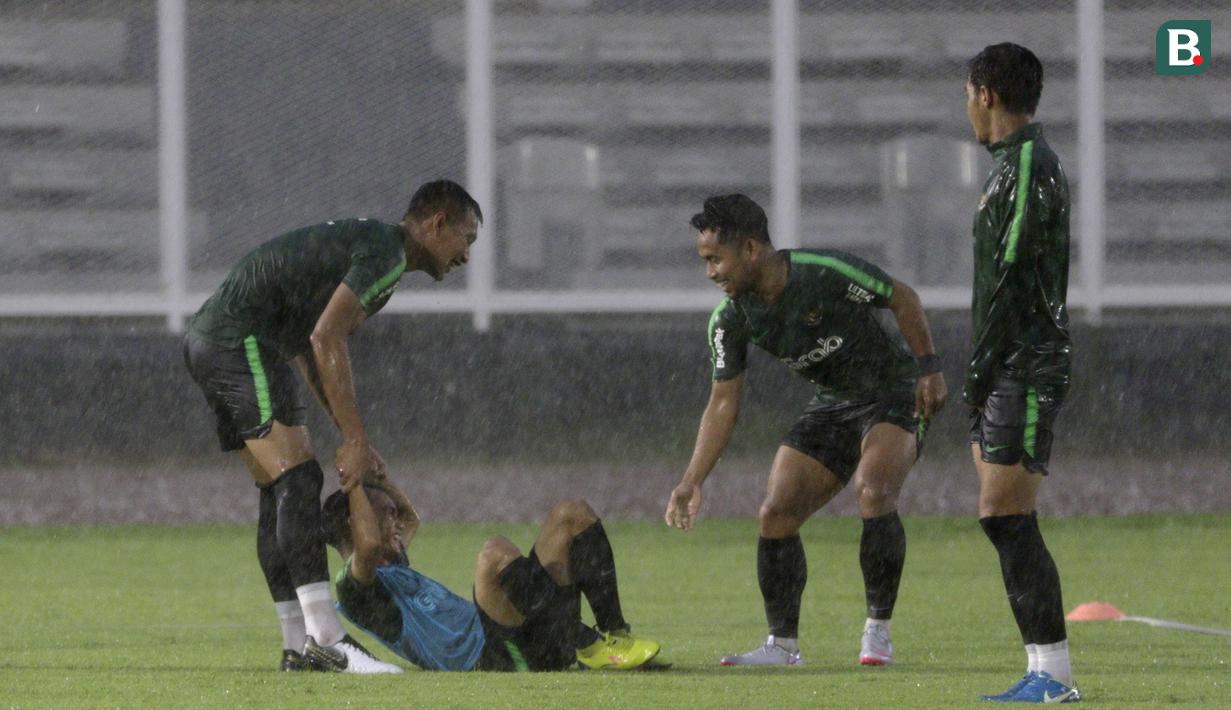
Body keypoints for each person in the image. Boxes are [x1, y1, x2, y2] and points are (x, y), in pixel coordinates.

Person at [182, 180, 481, 673]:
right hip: (238, 340)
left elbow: (307, 345)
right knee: (298, 480)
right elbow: (327, 338)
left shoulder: (372, 246)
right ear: (437, 224)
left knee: (279, 488)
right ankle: (328, 639)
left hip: (216, 339)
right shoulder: (386, 254)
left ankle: (297, 647)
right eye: (465, 240)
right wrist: (356, 438)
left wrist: (350, 436)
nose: (465, 257)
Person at [664, 193, 947, 667]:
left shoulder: (821, 271)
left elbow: (902, 298)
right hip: (834, 404)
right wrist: (691, 480)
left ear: (751, 249)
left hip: (893, 391)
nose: (711, 272)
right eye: (705, 262)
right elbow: (723, 402)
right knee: (775, 513)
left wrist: (929, 368)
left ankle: (877, 633)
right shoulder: (730, 320)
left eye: (716, 259)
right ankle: (782, 647)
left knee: (874, 491)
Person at [962, 43, 1080, 704]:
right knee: (1000, 516)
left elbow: (1008, 282)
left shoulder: (1029, 163)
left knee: (1005, 515)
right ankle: (1043, 671)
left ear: (984, 93)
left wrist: (977, 372)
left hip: (1023, 363)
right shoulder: (1011, 164)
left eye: (967, 97)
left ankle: (1053, 676)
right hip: (1005, 360)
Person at [321, 468, 663, 672]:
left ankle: (617, 637)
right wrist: (352, 483)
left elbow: (411, 518)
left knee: (571, 515)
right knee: (493, 554)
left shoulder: (393, 563)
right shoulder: (355, 591)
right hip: (492, 655)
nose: (398, 523)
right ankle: (589, 645)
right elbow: (366, 546)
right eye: (386, 516)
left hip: (531, 632)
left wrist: (379, 477)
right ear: (358, 525)